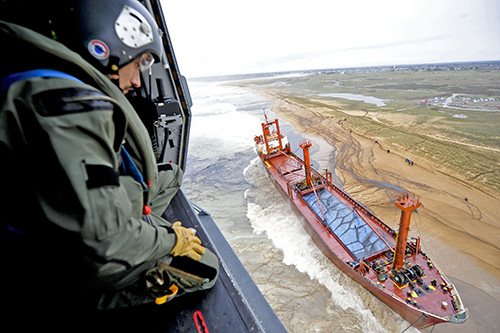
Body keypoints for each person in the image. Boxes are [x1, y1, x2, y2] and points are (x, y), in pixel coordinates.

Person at [0, 0, 218, 321]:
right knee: (206, 267)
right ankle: (91, 300)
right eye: (140, 63)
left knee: (171, 174)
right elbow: (106, 237)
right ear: (108, 47)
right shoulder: (69, 105)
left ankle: (144, 231)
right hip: (64, 263)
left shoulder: (43, 81)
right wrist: (171, 240)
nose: (138, 82)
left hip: (57, 215)